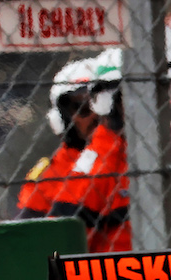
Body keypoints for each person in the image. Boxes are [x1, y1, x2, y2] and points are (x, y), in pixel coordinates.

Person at [50, 47, 131, 253]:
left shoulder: (128, 155)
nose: (93, 117)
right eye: (82, 109)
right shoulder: (92, 168)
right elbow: (55, 247)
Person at [17, 56, 98, 219]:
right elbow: (26, 235)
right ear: (62, 118)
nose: (96, 115)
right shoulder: (47, 178)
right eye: (82, 107)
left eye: (102, 104)